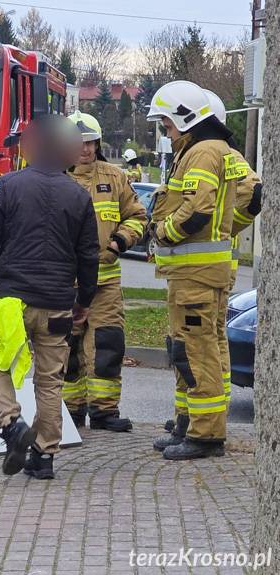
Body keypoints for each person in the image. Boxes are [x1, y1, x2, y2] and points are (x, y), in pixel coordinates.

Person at [0, 115, 99, 480]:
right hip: (58, 303)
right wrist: (84, 299)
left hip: (12, 300)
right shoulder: (78, 195)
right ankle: (44, 457)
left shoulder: (7, 185)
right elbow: (89, 254)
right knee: (50, 381)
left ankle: (10, 424)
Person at [147, 80, 237, 460]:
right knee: (189, 350)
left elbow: (197, 210)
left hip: (196, 275)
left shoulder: (201, 154)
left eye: (167, 125)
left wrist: (162, 233)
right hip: (196, 275)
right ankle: (189, 423)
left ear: (184, 118)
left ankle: (205, 435)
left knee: (196, 353)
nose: (166, 133)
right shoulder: (211, 151)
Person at [63, 112, 148, 432]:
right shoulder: (55, 177)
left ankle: (104, 411)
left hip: (105, 281)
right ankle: (70, 411)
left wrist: (117, 244)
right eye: (78, 142)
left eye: (90, 142)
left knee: (107, 345)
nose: (85, 149)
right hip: (65, 283)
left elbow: (138, 217)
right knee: (66, 350)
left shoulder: (114, 177)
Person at [203, 89, 262, 406]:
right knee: (206, 340)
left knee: (208, 340)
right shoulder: (205, 154)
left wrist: (222, 228)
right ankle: (203, 409)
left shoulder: (225, 156)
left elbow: (254, 196)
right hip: (204, 265)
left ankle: (210, 410)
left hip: (212, 266)